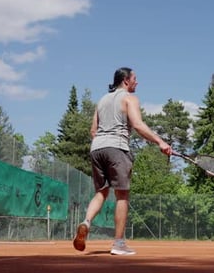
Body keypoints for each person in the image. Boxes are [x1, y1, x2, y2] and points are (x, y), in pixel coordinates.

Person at [73, 67, 172, 255]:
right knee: (122, 195)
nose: (137, 82)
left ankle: (86, 222)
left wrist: (103, 142)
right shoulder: (130, 98)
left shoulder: (102, 100)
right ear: (126, 81)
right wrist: (160, 142)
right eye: (135, 78)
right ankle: (118, 244)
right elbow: (138, 124)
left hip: (97, 148)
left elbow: (93, 130)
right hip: (116, 148)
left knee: (101, 192)